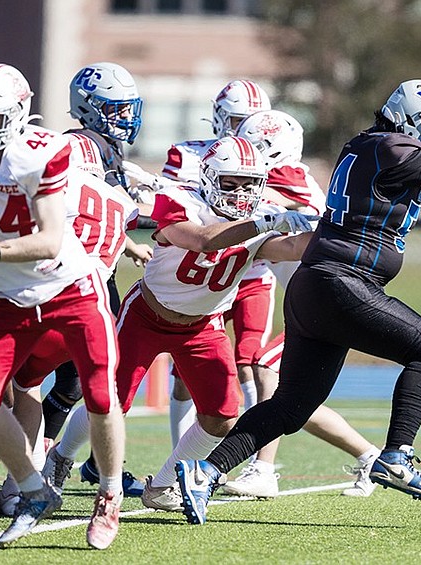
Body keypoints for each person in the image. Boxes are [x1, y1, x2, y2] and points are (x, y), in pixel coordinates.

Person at [175, 20, 421, 525]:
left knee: (293, 403)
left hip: (318, 284)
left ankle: (204, 474)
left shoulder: (367, 145)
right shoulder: (390, 147)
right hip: (342, 281)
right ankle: (396, 455)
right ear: (412, 126)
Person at [0, 62, 127, 549]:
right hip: (11, 300)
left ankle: (110, 493)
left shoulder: (43, 153)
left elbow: (51, 241)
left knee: (99, 395)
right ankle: (35, 491)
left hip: (71, 291)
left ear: (18, 116)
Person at [102, 135, 313, 513]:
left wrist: (342, 225)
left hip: (202, 324)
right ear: (211, 178)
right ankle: (65, 463)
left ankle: (163, 484)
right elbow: (202, 241)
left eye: (249, 184)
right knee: (109, 403)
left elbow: (295, 249)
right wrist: (264, 221)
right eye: (231, 183)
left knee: (222, 415)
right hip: (147, 315)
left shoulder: (259, 218)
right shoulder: (184, 202)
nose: (241, 194)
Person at [216, 109, 380, 499]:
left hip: (326, 298)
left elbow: (259, 205)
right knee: (294, 399)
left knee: (266, 371)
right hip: (317, 300)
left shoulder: (284, 179)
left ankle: (264, 469)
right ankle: (371, 457)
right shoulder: (286, 180)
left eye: (253, 147)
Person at [33, 62, 151, 499]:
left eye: (127, 108)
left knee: (77, 382)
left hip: (99, 274)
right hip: (69, 277)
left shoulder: (110, 152)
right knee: (46, 377)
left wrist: (128, 245)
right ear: (88, 108)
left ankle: (57, 464)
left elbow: (105, 215)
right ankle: (23, 464)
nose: (124, 116)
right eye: (114, 108)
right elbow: (73, 212)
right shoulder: (77, 147)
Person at [161, 79, 272, 451]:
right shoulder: (188, 155)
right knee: (183, 372)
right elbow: (177, 210)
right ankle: (182, 459)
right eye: (239, 119)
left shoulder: (276, 160)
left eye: (254, 120)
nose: (246, 128)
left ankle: (252, 458)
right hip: (199, 270)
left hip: (250, 269)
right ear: (222, 117)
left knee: (250, 362)